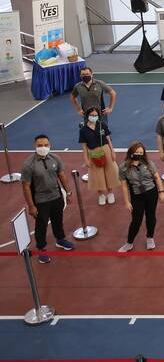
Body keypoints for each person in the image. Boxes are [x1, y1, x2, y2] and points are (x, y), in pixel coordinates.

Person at [21, 135, 74, 263]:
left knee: (58, 220)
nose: (43, 148)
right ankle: (41, 248)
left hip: (56, 197)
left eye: (46, 145)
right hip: (40, 200)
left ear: (49, 145)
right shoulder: (28, 164)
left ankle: (60, 240)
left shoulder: (55, 158)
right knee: (41, 225)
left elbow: (62, 176)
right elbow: (26, 186)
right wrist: (31, 206)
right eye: (40, 145)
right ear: (35, 146)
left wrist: (68, 192)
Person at [118, 141, 164, 252]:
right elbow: (124, 186)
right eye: (137, 152)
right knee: (136, 219)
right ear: (131, 152)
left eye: (141, 152)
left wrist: (161, 192)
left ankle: (150, 237)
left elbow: (157, 178)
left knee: (151, 216)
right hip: (136, 195)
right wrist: (127, 201)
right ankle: (129, 242)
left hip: (151, 193)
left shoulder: (148, 163)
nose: (139, 154)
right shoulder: (124, 167)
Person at [79, 106, 119, 205]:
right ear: (87, 116)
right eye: (92, 115)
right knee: (97, 174)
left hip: (105, 149)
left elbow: (108, 139)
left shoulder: (102, 125)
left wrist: (112, 151)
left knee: (109, 171)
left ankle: (110, 193)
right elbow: (84, 147)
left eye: (96, 115)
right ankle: (101, 195)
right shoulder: (83, 130)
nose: (94, 117)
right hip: (93, 152)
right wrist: (86, 159)